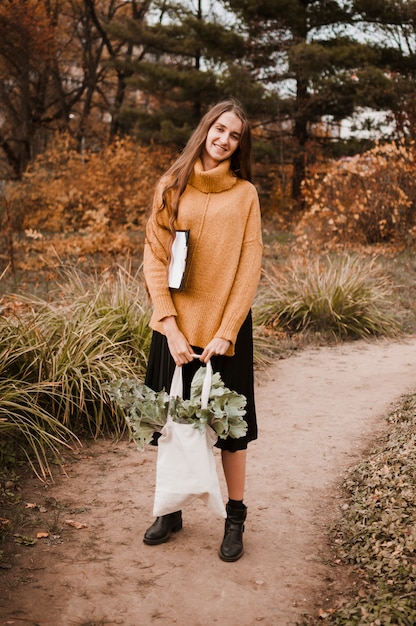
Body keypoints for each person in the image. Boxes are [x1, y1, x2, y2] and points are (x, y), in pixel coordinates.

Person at [142, 98, 263, 562]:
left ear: (239, 144)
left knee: (232, 429)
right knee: (170, 424)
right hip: (173, 327)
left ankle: (235, 516)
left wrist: (226, 331)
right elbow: (154, 259)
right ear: (205, 129)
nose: (225, 139)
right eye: (219, 129)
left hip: (223, 333)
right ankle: (170, 509)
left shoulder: (245, 195)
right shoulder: (170, 186)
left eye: (234, 135)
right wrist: (169, 327)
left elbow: (249, 269)